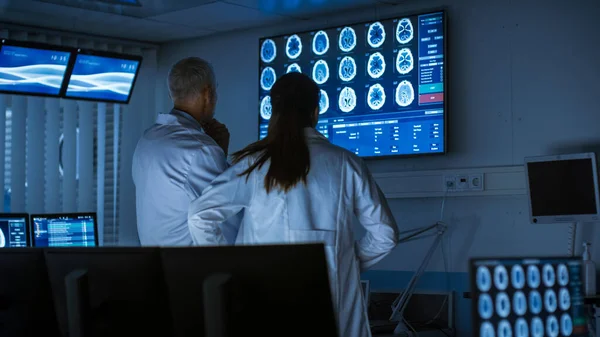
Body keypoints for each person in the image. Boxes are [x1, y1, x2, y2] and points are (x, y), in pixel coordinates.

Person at [188, 72, 399, 336]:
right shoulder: (347, 164)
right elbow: (385, 236)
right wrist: (345, 259)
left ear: (273, 112)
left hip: (265, 304)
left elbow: (199, 215)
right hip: (333, 311)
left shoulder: (254, 165)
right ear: (315, 111)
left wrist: (234, 265)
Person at [132, 57, 234, 246]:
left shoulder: (146, 140)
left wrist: (217, 152)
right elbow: (224, 220)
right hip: (190, 268)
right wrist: (216, 153)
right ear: (208, 94)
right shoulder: (201, 149)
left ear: (172, 95)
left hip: (156, 263)